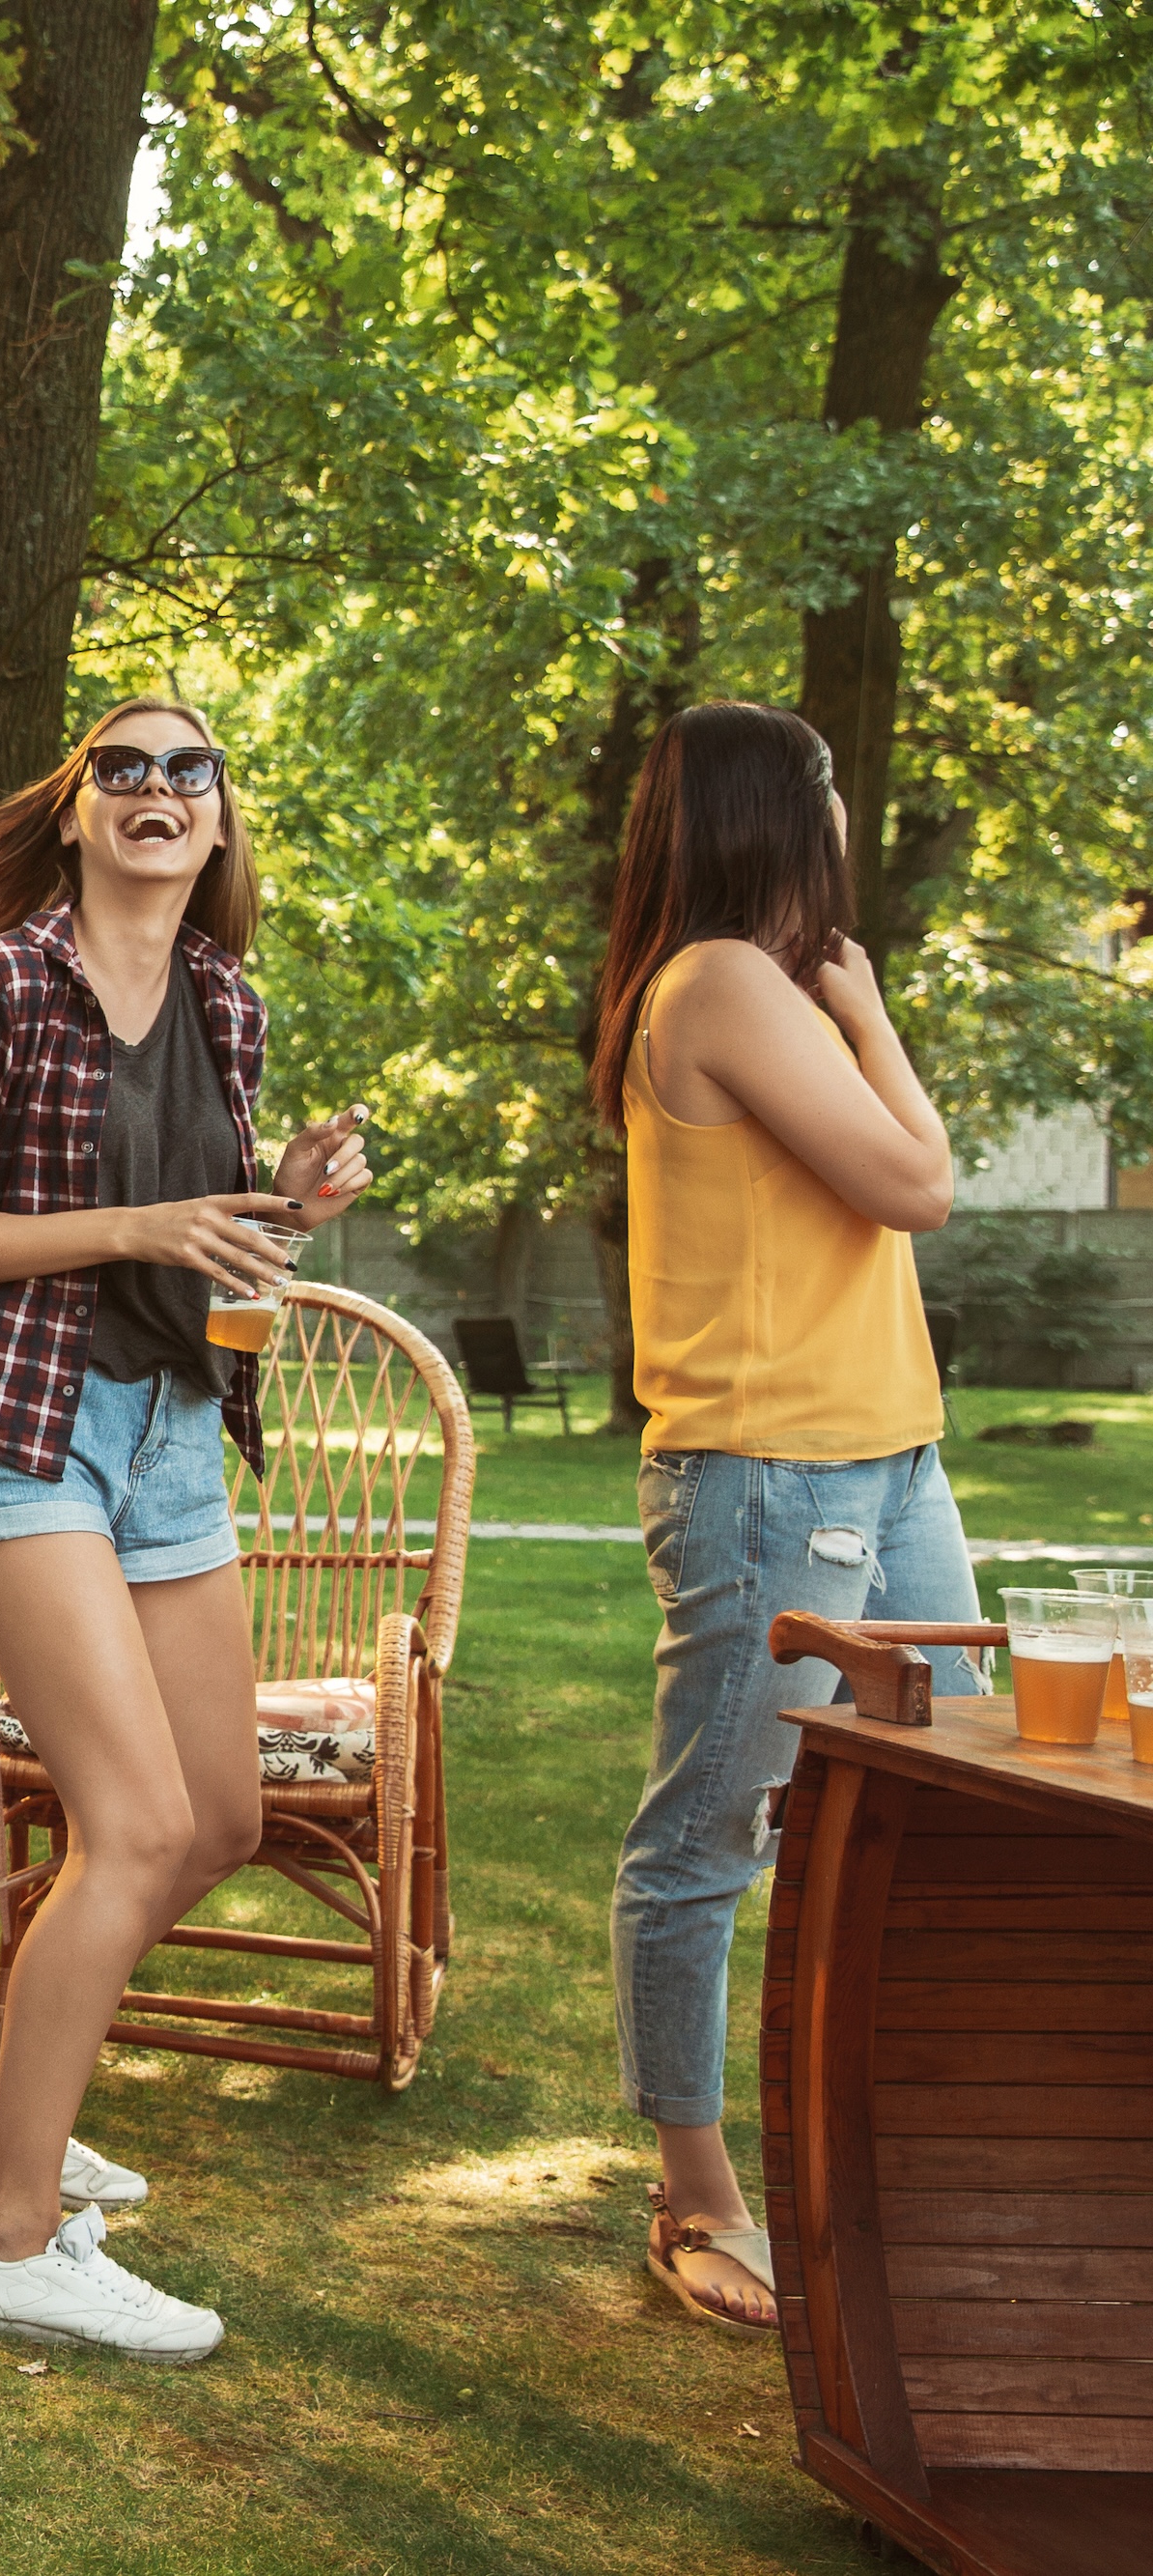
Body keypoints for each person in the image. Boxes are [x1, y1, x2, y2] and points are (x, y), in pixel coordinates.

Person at [0, 696, 372, 2363]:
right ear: (78, 812)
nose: (158, 789)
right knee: (135, 1827)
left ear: (218, 823)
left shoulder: (227, 1000)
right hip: (29, 1428)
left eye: (189, 770)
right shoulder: (1, 982)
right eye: (123, 769)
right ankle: (14, 2244)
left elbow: (210, 1236)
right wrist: (140, 1225)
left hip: (172, 1436)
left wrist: (288, 1203)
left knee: (219, 1818)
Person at [591, 700, 970, 2333]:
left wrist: (857, 1016)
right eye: (828, 790)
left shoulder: (750, 989)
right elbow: (919, 1185)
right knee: (709, 1838)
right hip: (773, 1475)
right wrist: (873, 1014)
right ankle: (695, 2197)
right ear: (784, 813)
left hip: (889, 1458)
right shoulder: (724, 985)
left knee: (952, 1810)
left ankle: (900, 2153)